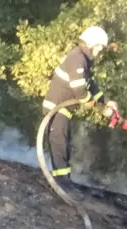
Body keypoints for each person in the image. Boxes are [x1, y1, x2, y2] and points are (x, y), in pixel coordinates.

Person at [42, 25, 118, 186]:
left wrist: (105, 101)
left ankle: (64, 183)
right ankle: (61, 184)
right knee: (59, 146)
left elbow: (90, 85)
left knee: (64, 146)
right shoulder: (77, 58)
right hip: (55, 109)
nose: (99, 51)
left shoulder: (84, 60)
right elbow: (80, 92)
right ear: (92, 43)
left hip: (63, 110)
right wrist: (99, 108)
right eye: (99, 47)